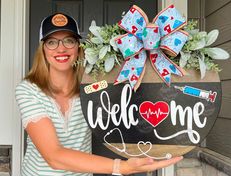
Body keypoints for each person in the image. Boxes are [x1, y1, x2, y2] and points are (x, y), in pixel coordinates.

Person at [15, 12, 183, 176]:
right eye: (51, 42)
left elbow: (129, 101)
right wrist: (121, 167)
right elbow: (54, 156)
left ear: (78, 47)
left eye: (69, 41)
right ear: (42, 49)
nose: (61, 48)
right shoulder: (29, 90)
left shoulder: (94, 86)